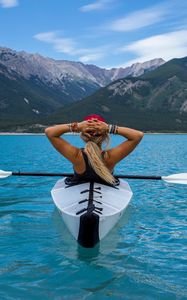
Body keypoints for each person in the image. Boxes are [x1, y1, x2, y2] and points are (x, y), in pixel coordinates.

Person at [45, 114, 144, 186]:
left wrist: (77, 126)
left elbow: (49, 132)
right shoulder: (110, 157)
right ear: (105, 135)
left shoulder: (76, 155)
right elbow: (137, 135)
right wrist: (109, 128)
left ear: (83, 135)